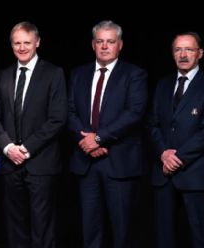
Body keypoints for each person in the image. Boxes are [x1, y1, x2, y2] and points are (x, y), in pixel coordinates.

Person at [67, 20, 147, 248]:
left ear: (119, 45)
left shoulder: (134, 74)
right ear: (93, 44)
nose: (104, 46)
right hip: (86, 163)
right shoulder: (78, 74)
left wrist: (99, 139)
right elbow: (69, 112)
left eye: (110, 42)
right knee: (90, 230)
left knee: (122, 231)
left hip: (119, 162)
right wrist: (87, 141)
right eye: (100, 41)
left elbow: (134, 113)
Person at [0, 21, 67, 248]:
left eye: (27, 43)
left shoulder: (53, 74)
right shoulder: (3, 75)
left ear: (37, 43)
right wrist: (8, 147)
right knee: (15, 228)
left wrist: (26, 148)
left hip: (41, 164)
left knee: (42, 229)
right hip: (11, 165)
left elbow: (57, 119)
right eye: (17, 43)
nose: (22, 48)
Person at [149, 32, 204, 248]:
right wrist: (163, 153)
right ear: (172, 54)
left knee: (203, 237)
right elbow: (152, 124)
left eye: (189, 49)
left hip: (196, 173)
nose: (183, 54)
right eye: (178, 50)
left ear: (200, 54)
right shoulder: (162, 84)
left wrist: (177, 157)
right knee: (164, 238)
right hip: (163, 173)